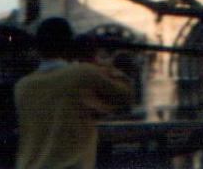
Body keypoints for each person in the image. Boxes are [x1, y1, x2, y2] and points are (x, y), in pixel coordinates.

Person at [13, 16, 132, 169]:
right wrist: (95, 61)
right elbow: (125, 94)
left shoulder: (22, 86)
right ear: (69, 45)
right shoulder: (82, 74)